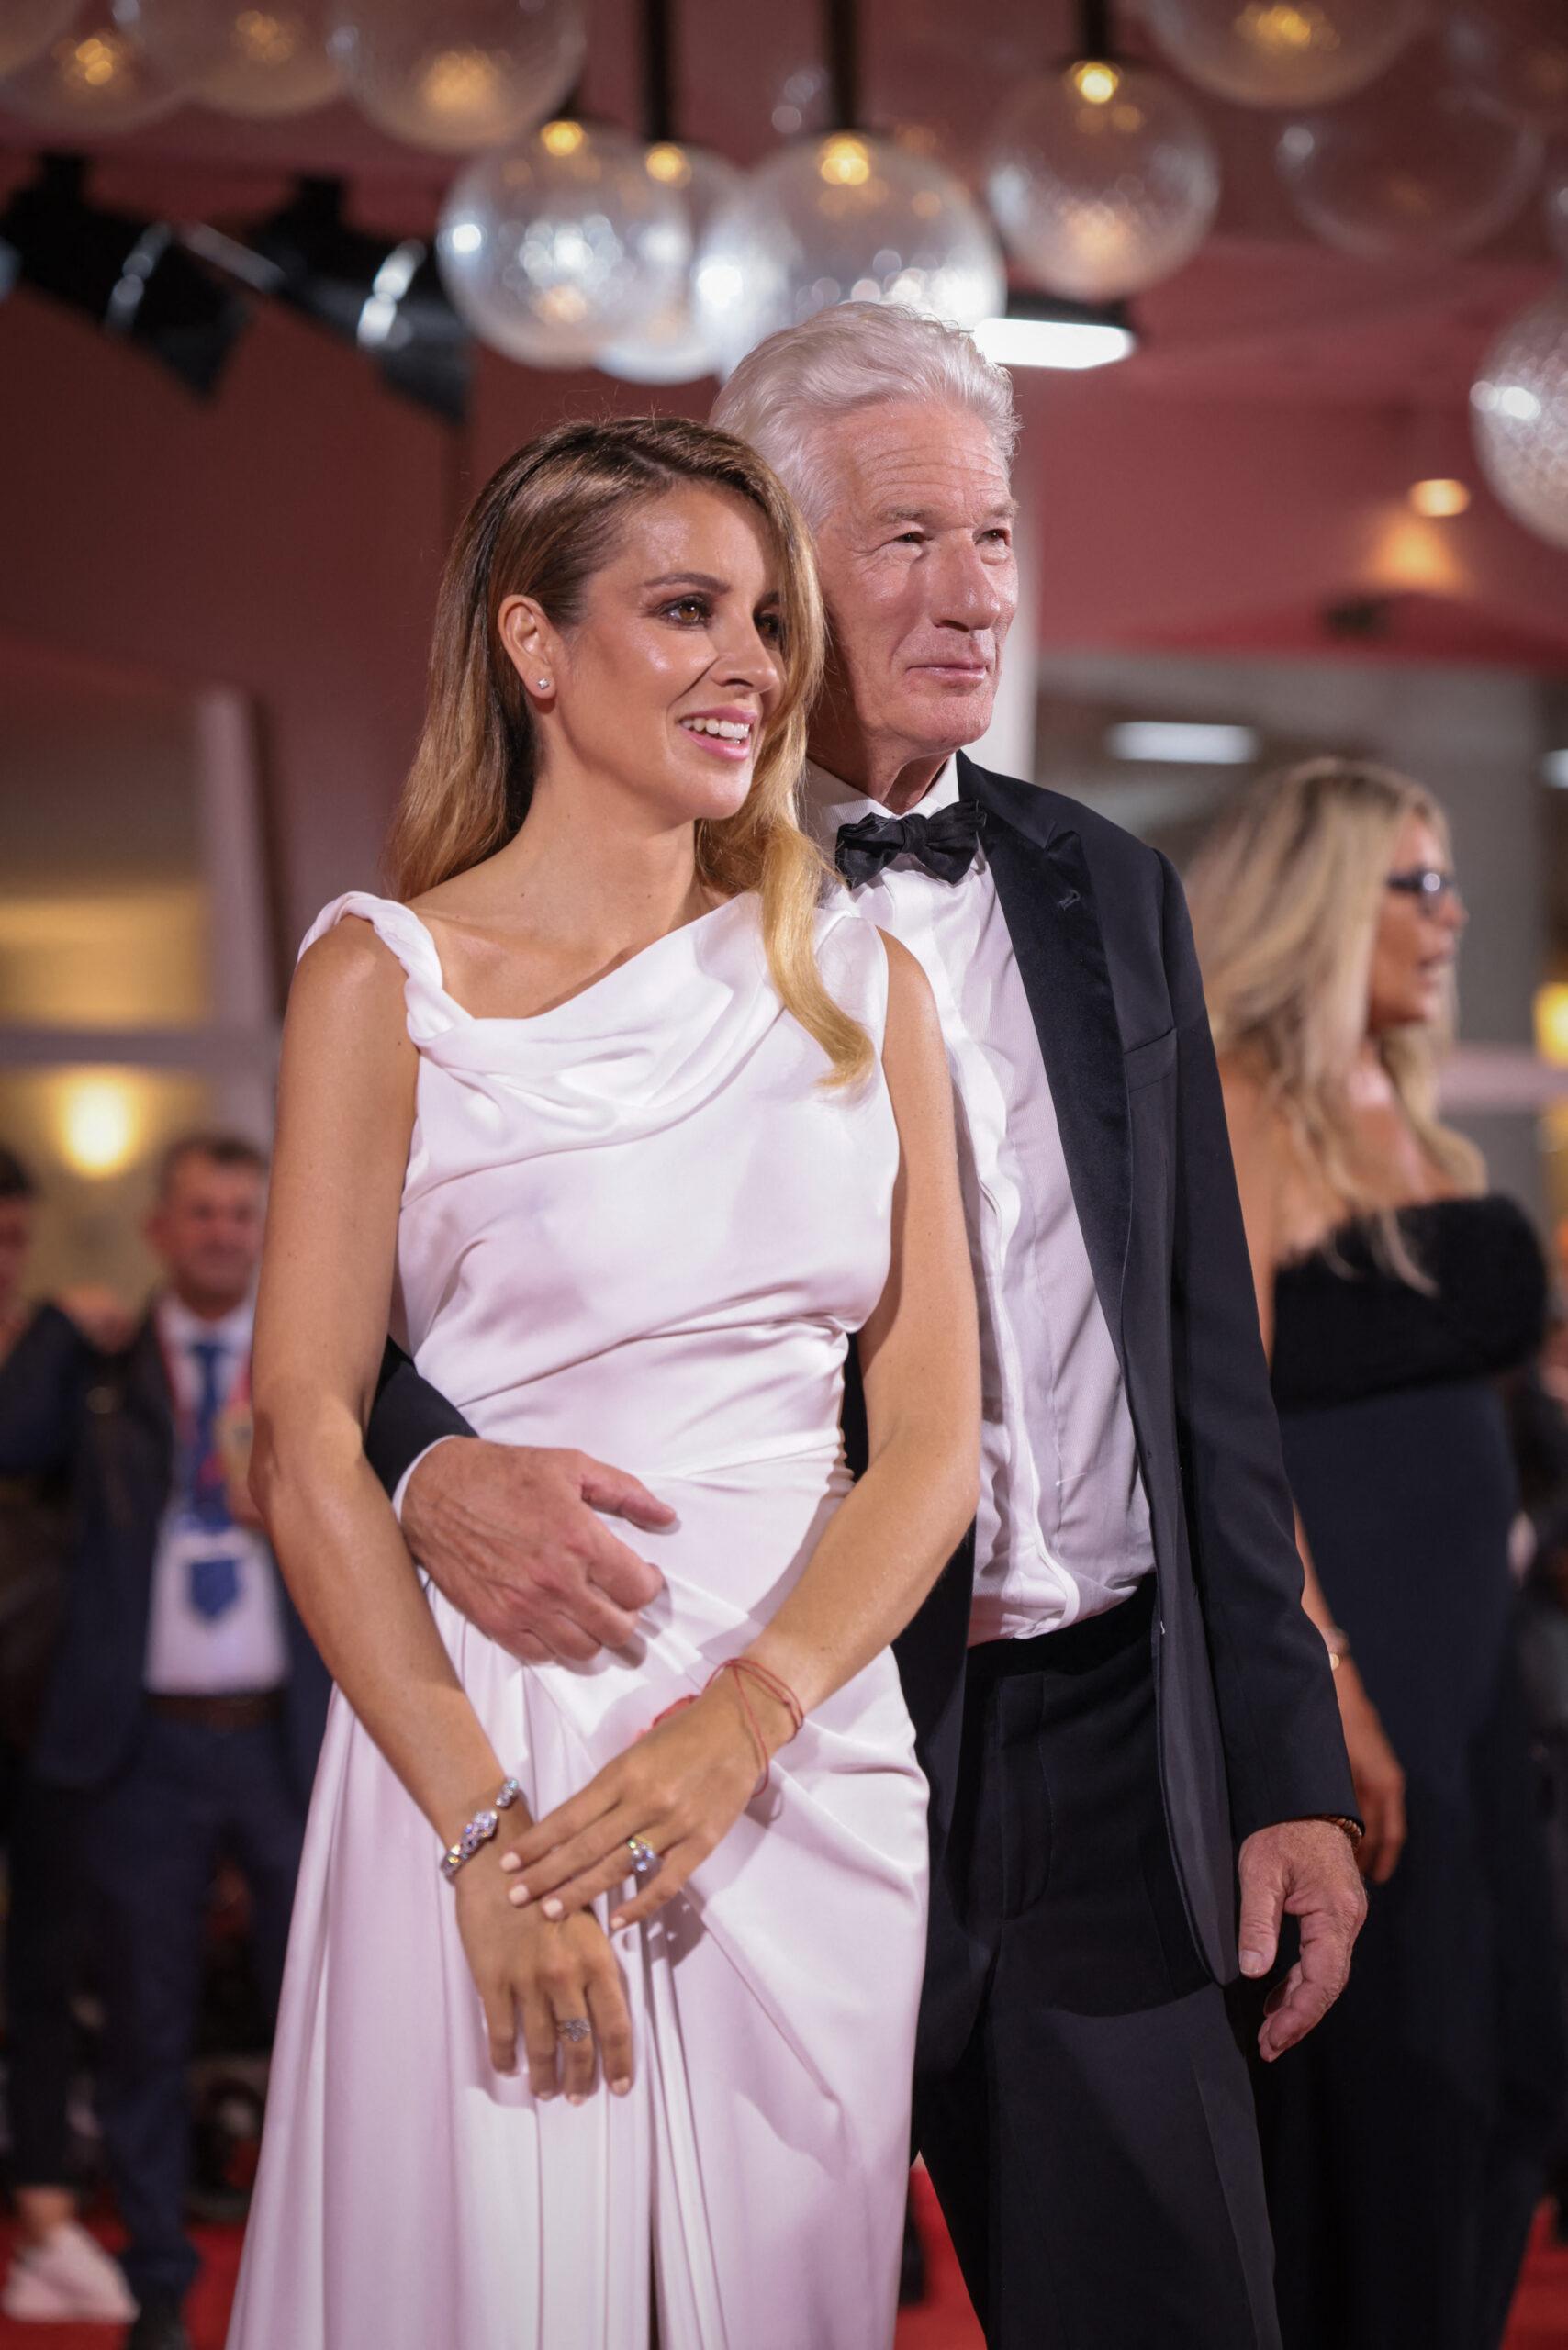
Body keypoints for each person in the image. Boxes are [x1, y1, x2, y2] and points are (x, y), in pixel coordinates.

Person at [365, 306, 1364, 2350]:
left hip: (1100, 1735)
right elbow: (402, 1305)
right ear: (768, 570)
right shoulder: (611, 905)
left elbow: (1203, 1382)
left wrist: (1277, 1757)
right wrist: (425, 1454)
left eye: (992, 534)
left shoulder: (1108, 889)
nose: (970, 589)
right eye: (904, 537)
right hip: (756, 1731)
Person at [225, 414, 978, 2350]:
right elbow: (304, 1426)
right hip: (487, 1754)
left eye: (764, 618)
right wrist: (479, 1833)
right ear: (531, 644)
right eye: (682, 608)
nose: (748, 660)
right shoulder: (383, 975)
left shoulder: (863, 983)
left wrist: (746, 1718)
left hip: (799, 1772)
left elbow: (929, 1450)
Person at [1190, 757, 1567, 2350]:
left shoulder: (1408, 1124)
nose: (1450, 914)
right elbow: (1229, 1423)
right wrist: (1322, 1684)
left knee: (1515, 2068)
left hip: (1475, 1672)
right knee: (1391, 2091)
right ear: (1322, 906)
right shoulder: (1238, 1105)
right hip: (1351, 1662)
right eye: (1417, 885)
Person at [0, 1134, 330, 2350]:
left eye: (245, 1215)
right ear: (158, 1229)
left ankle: (329, 2271)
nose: (224, 1235)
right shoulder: (100, 1368)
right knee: (144, 2022)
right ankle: (154, 2279)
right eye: (200, 1214)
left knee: (327, 2014)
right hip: (140, 1753)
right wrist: (50, 1328)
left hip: (283, 1744)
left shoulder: (307, 1370)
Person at [0, 1148, 137, 2324]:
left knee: (43, 1971)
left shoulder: (63, 1348)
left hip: (41, 1708)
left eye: (7, 1235)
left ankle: (42, 2206)